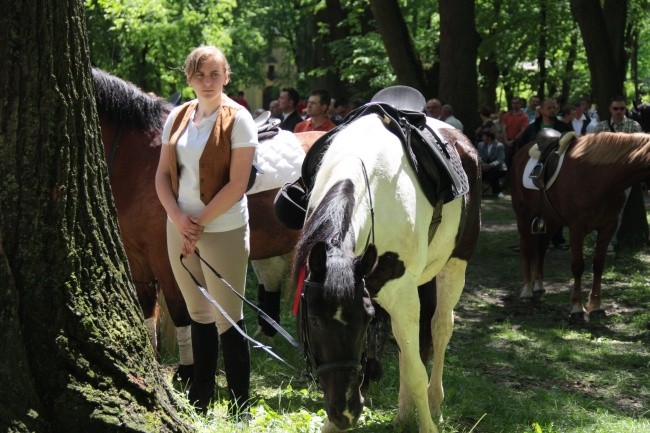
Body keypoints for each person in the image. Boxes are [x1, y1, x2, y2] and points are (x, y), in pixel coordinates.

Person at [155, 45, 257, 418]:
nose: (208, 81)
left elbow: (238, 183)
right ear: (189, 78)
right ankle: (201, 396)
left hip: (223, 228)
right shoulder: (178, 116)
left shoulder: (239, 119)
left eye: (215, 74)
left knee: (228, 316)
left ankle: (240, 405)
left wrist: (196, 225)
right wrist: (178, 219)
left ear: (226, 76)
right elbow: (162, 175)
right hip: (178, 227)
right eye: (200, 74)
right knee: (198, 313)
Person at [516, 97, 571, 249]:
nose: (552, 110)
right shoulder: (532, 127)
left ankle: (558, 238)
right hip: (536, 164)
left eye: (554, 108)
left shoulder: (563, 126)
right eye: (549, 107)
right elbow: (523, 146)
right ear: (541, 109)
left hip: (557, 164)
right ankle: (533, 235)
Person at [594, 95, 642, 252]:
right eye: (616, 108)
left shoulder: (634, 126)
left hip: (624, 176)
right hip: (602, 176)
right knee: (599, 207)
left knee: (617, 210)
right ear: (610, 109)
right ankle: (599, 240)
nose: (619, 111)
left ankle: (609, 242)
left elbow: (639, 152)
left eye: (622, 108)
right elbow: (594, 152)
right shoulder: (601, 127)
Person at [477, 129, 507, 198]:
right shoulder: (480, 145)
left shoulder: (499, 146)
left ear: (489, 137)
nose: (482, 138)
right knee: (478, 173)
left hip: (499, 168)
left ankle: (497, 191)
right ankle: (476, 192)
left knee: (491, 172)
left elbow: (500, 160)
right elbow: (479, 156)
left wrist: (490, 165)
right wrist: (482, 164)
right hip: (484, 167)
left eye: (484, 137)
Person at [501, 96, 529, 171]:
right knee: (507, 162)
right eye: (513, 103)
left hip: (518, 143)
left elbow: (523, 130)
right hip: (507, 143)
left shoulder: (524, 117)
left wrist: (513, 140)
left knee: (517, 162)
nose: (515, 105)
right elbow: (503, 128)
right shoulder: (506, 115)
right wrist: (506, 140)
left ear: (520, 104)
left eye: (517, 103)